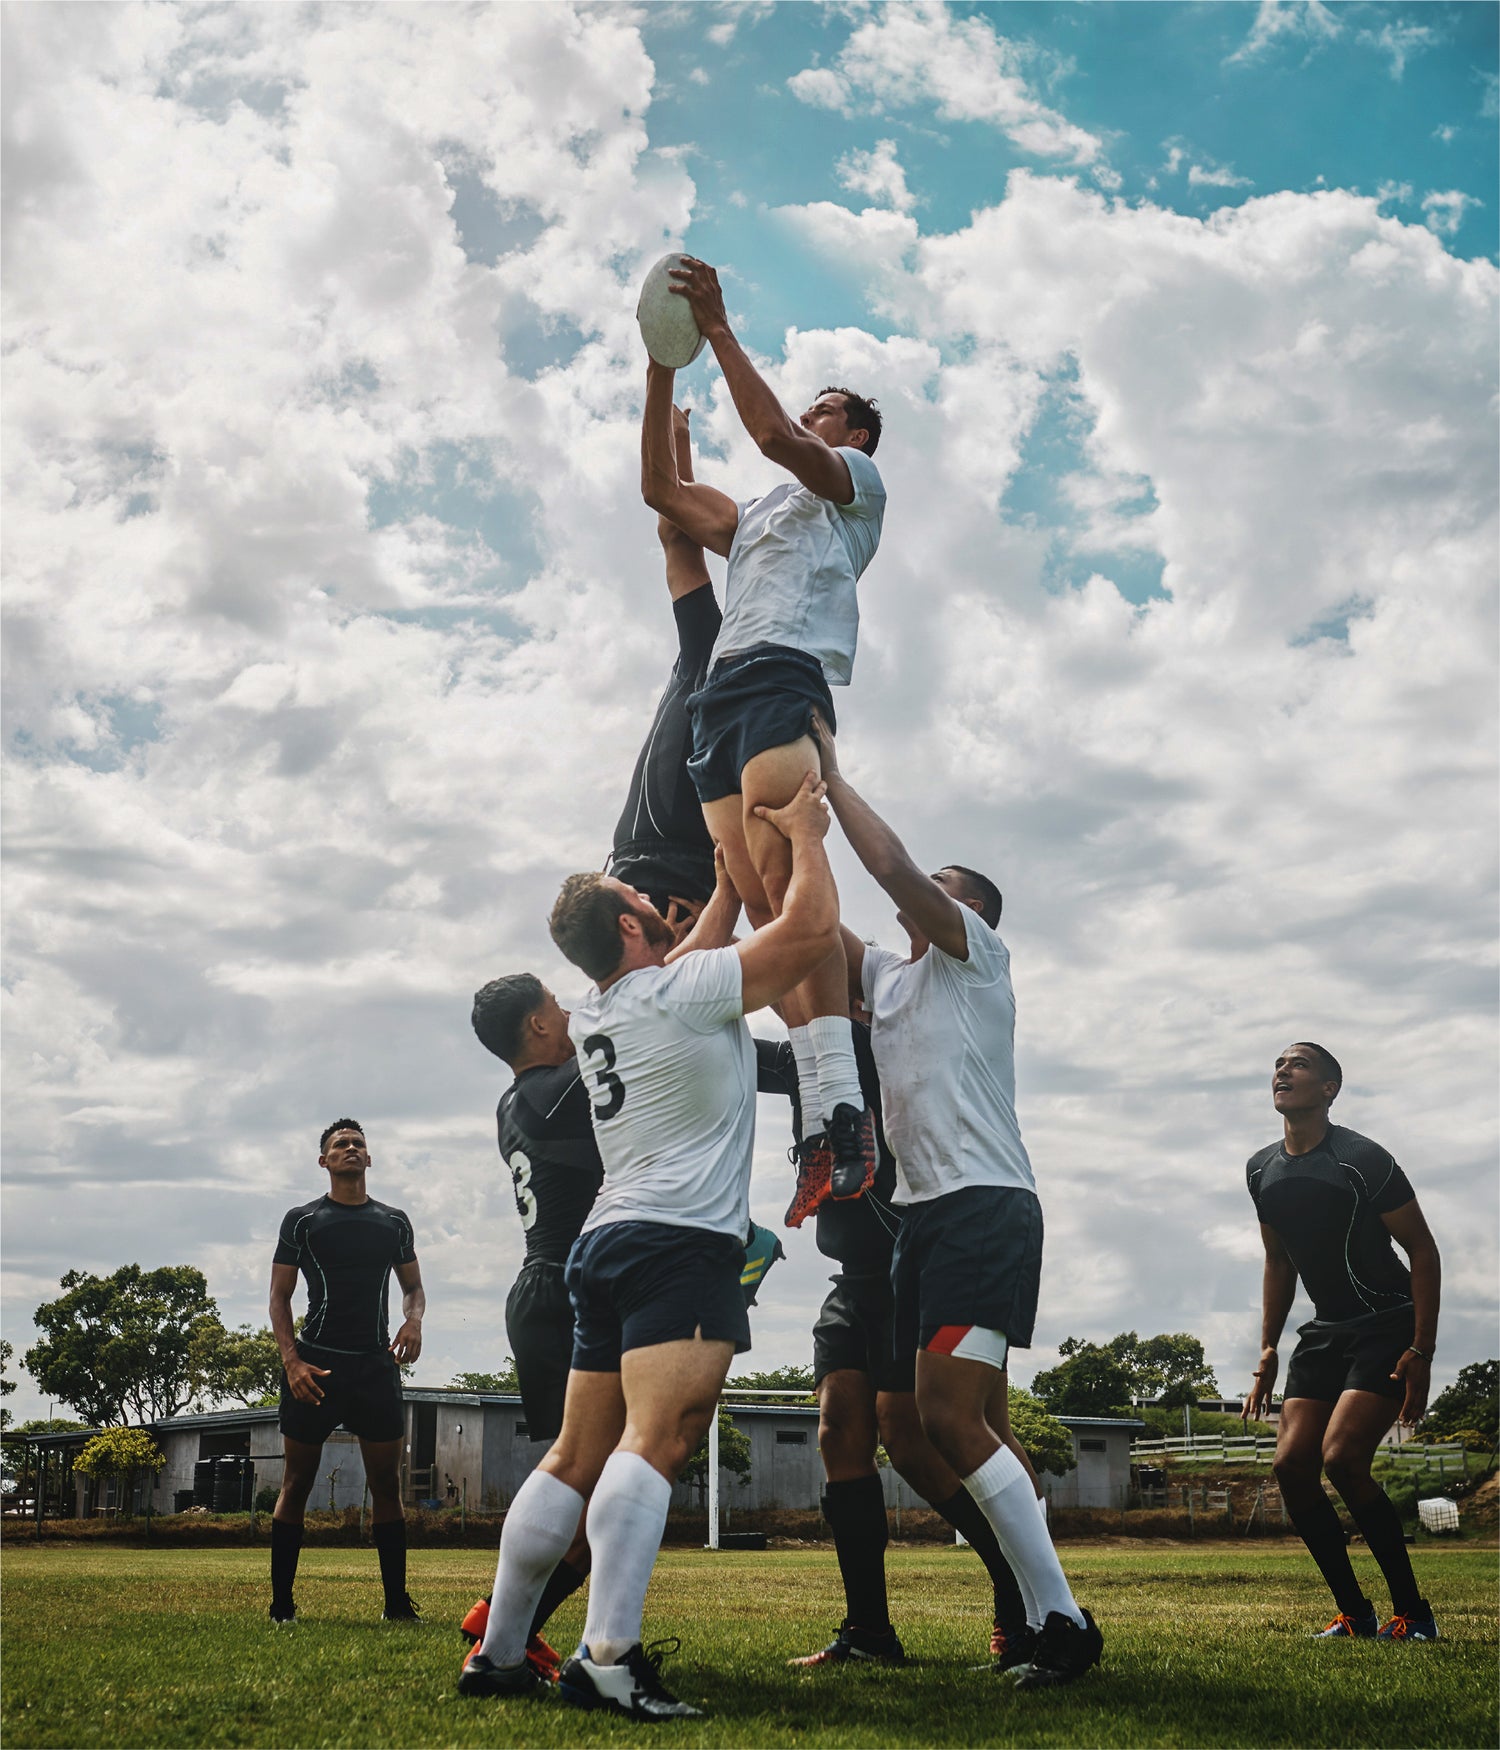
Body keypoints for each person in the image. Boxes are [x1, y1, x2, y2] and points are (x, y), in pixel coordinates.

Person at [459, 775, 840, 1717]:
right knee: (656, 1440)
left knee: (572, 1457)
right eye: (643, 905)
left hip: (603, 1243)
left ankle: (500, 1653)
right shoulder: (681, 992)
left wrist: (715, 896)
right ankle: (609, 1656)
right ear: (631, 930)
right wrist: (807, 836)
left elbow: (685, 971)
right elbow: (807, 940)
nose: (657, 909)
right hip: (681, 1241)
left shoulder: (599, 1014)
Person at [811, 714, 1102, 1690]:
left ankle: (1061, 1619)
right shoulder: (889, 983)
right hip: (927, 1223)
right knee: (975, 1422)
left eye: (948, 888)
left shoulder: (975, 958)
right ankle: (1035, 1615)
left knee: (946, 1418)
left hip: (985, 1206)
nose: (928, 893)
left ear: (976, 913)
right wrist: (774, 833)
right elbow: (813, 926)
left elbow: (892, 871)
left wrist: (834, 778)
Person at [640, 258, 887, 1208]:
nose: (811, 413)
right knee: (750, 897)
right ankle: (827, 1114)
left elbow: (776, 433)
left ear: (854, 431)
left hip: (787, 674)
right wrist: (665, 362)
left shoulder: (851, 487)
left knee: (790, 881)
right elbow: (664, 492)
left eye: (828, 406)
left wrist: (721, 328)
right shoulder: (756, 521)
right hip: (722, 696)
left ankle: (838, 1111)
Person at [462, 970, 786, 1679]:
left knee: (576, 1472)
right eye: (558, 1004)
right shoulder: (558, 1092)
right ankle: (520, 1633)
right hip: (579, 1283)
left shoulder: (514, 1103)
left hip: (547, 1288)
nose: (573, 1009)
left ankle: (506, 1631)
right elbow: (659, 1046)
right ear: (541, 1028)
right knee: (599, 1474)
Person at [764, 1018, 1045, 1672]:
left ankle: (1022, 1598)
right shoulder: (803, 1060)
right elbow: (734, 1050)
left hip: (922, 1266)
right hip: (853, 1279)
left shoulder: (885, 1045)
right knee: (839, 1430)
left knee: (921, 1432)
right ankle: (867, 1630)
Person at [1242, 1043, 1442, 1641]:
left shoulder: (1362, 1159)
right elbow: (1278, 1261)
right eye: (1279, 1063)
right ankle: (1355, 1615)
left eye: (1299, 1064)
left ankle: (1413, 1612)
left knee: (1344, 1459)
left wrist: (1422, 1349)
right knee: (1291, 1465)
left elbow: (1423, 1251)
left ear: (1330, 1088)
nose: (1284, 1071)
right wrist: (1268, 1349)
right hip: (1325, 1332)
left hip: (1386, 1324)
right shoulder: (1260, 1169)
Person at [267, 1119, 425, 1625]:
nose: (351, 1148)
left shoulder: (394, 1222)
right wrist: (291, 1362)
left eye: (358, 1143)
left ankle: (397, 1606)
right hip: (315, 1366)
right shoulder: (302, 1220)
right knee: (297, 1481)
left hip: (376, 1368)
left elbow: (413, 1288)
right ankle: (282, 1607)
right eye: (340, 1144)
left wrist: (413, 1319)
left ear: (369, 1159)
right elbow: (279, 1297)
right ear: (324, 1161)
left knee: (386, 1484)